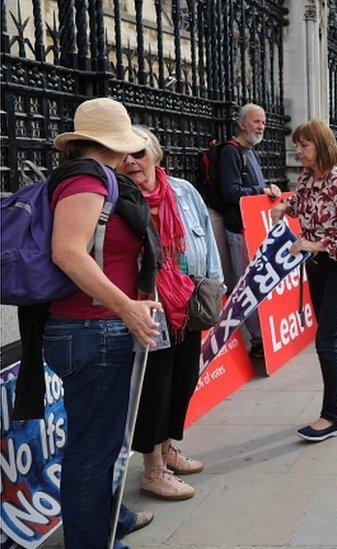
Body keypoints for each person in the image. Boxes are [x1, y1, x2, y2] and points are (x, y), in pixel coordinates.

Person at [43, 98, 160, 548]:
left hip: (93, 328)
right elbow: (67, 251)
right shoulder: (88, 181)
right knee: (93, 451)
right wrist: (126, 307)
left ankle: (107, 525)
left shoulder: (94, 179)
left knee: (102, 445)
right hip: (92, 328)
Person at [117, 126, 223, 501]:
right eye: (123, 155)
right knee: (155, 388)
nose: (131, 162)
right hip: (150, 308)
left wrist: (214, 289)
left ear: (155, 154)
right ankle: (153, 468)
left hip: (186, 303)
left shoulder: (183, 191)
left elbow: (207, 243)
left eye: (139, 153)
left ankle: (167, 450)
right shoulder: (119, 198)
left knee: (182, 381)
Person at [270, 120, 337, 441]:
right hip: (317, 265)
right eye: (297, 145)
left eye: (304, 145)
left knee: (327, 339)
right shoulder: (310, 176)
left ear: (321, 146)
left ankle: (332, 416)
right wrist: (285, 205)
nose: (298, 151)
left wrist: (312, 244)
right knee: (333, 337)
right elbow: (303, 201)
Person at [217, 103, 281, 359]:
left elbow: (255, 188)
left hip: (254, 229)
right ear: (242, 124)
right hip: (239, 230)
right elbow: (231, 192)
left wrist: (270, 190)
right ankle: (257, 341)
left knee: (261, 282)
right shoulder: (232, 153)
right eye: (256, 121)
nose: (261, 126)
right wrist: (260, 192)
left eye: (263, 122)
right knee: (250, 284)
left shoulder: (250, 152)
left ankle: (265, 335)